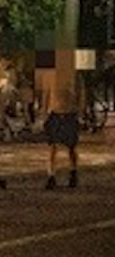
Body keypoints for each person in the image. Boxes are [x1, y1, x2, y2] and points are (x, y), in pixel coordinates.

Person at [40, 47, 83, 189]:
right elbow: (46, 94)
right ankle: (51, 175)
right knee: (52, 148)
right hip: (55, 113)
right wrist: (44, 114)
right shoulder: (49, 75)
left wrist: (80, 112)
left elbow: (81, 93)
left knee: (71, 147)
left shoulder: (75, 75)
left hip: (70, 112)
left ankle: (73, 173)